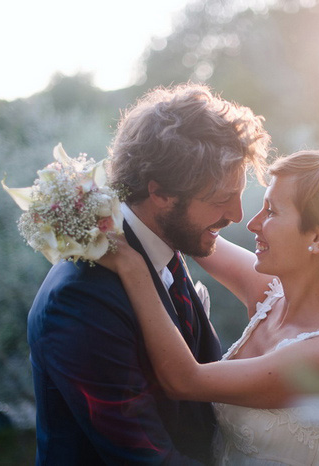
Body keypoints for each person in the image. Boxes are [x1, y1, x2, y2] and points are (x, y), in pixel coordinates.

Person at [27, 83, 270, 465]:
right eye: (221, 198)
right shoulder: (79, 300)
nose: (237, 215)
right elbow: (145, 458)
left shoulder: (164, 244)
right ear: (160, 193)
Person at [99, 150, 319, 465]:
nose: (252, 223)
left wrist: (131, 266)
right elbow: (190, 232)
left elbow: (184, 380)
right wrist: (94, 196)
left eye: (271, 212)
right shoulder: (271, 293)